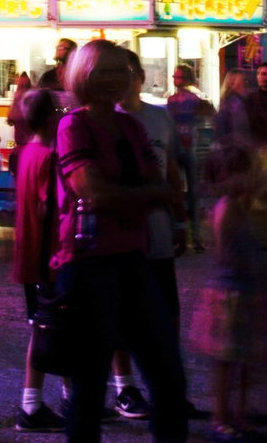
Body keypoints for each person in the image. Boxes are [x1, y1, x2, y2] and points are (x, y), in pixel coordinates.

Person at [52, 40, 189, 443]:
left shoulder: (131, 126)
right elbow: (94, 193)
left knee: (168, 378)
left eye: (121, 70)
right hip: (87, 265)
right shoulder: (73, 125)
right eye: (104, 71)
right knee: (89, 387)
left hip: (134, 257)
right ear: (83, 76)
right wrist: (147, 196)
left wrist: (137, 195)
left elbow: (160, 184)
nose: (115, 79)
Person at [109, 49, 191, 422]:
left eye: (131, 73)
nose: (126, 80)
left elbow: (171, 169)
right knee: (122, 316)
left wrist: (180, 219)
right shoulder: (107, 121)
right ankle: (125, 388)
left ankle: (169, 386)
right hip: (123, 233)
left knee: (167, 313)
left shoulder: (159, 119)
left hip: (158, 231)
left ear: (142, 77)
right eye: (118, 74)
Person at [190, 146, 267, 443]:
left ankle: (240, 414)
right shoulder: (225, 207)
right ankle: (220, 416)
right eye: (246, 172)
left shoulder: (244, 204)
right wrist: (252, 266)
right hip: (229, 294)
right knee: (226, 362)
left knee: (246, 359)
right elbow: (224, 253)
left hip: (247, 292)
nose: (253, 177)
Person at [10, 87, 67, 433]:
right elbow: (50, 206)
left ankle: (61, 398)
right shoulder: (49, 157)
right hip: (48, 256)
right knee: (49, 329)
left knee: (47, 327)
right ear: (49, 118)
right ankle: (31, 405)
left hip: (30, 254)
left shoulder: (26, 153)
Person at [164, 64, 215, 250]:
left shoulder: (174, 100)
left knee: (181, 191)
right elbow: (207, 116)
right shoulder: (192, 99)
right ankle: (194, 236)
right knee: (191, 192)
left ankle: (183, 233)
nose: (176, 81)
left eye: (178, 77)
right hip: (187, 145)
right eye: (175, 77)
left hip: (181, 146)